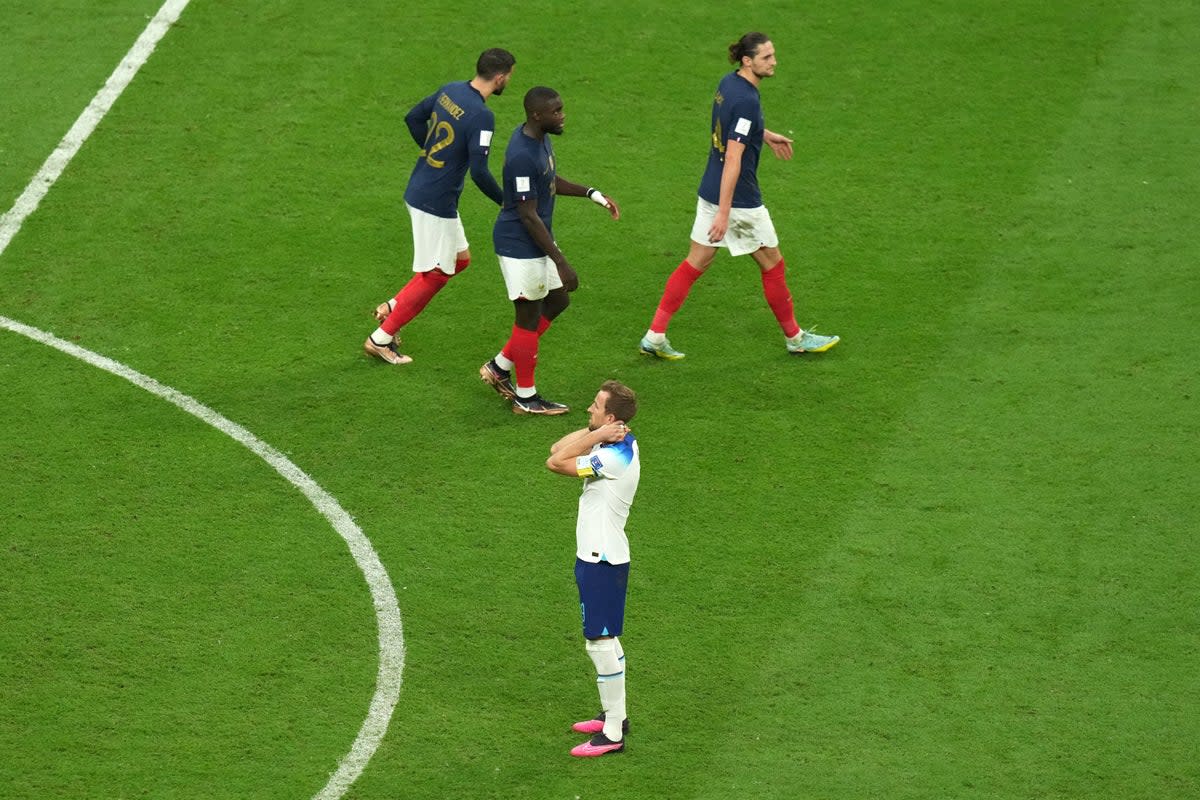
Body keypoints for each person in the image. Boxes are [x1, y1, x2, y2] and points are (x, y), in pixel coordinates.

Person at [638, 32, 839, 360]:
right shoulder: (747, 99)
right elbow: (734, 155)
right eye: (766, 58)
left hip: (710, 187)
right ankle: (795, 338)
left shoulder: (729, 83)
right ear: (748, 61)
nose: (774, 62)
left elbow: (732, 127)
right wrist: (725, 212)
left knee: (696, 261)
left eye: (773, 55)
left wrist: (766, 135)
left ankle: (655, 336)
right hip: (738, 200)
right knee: (773, 264)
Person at [364, 48, 516, 365]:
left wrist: (435, 155)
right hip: (433, 201)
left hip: (425, 189)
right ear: (500, 77)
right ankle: (381, 339)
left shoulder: (451, 90)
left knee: (460, 260)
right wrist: (507, 202)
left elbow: (413, 117)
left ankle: (394, 305)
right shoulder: (483, 116)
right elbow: (480, 171)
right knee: (435, 276)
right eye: (510, 76)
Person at [478, 86, 620, 415]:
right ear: (536, 115)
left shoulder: (540, 138)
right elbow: (527, 214)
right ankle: (526, 398)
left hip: (536, 239)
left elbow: (550, 180)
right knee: (527, 318)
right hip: (519, 244)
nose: (562, 115)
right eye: (556, 111)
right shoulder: (521, 155)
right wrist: (561, 261)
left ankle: (500, 367)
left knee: (558, 300)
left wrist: (592, 193)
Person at [545, 380, 640, 757]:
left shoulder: (614, 458)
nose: (588, 409)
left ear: (612, 417)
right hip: (599, 555)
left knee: (598, 642)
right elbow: (558, 448)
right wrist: (595, 431)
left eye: (595, 407)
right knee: (607, 639)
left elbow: (555, 463)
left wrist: (598, 435)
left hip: (602, 559)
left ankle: (613, 734)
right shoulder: (611, 443)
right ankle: (616, 715)